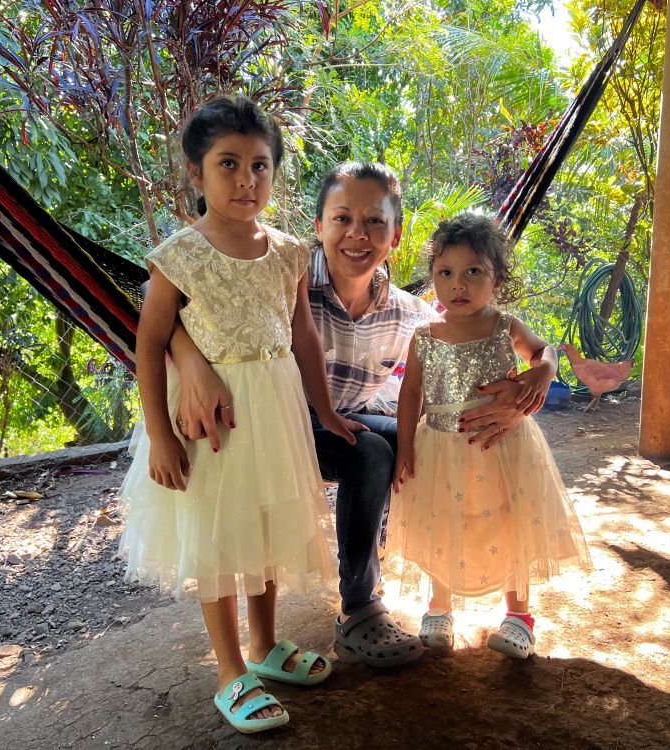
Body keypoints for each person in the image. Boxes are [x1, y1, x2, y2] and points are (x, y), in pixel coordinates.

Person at [170, 162, 537, 667]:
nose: (357, 235)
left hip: (342, 424)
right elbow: (159, 300)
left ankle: (450, 587)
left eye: (374, 222)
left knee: (422, 442)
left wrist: (528, 387)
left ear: (396, 236)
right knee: (370, 452)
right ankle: (360, 608)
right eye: (342, 219)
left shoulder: (412, 313)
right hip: (271, 428)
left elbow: (473, 341)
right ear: (318, 227)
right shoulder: (284, 276)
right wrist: (188, 359)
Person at [117, 96, 363, 735]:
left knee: (263, 525)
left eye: (260, 165)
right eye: (228, 164)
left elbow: (303, 333)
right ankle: (231, 671)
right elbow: (149, 342)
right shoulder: (180, 254)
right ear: (196, 174)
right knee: (218, 535)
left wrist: (325, 409)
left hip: (275, 409)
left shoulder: (288, 252)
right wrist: (161, 435)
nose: (246, 180)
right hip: (210, 424)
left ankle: (266, 645)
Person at [388, 213, 591, 660]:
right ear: (433, 278)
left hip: (502, 448)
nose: (457, 285)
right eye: (446, 273)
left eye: (472, 272)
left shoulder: (505, 325)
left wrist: (543, 371)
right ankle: (438, 609)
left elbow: (545, 351)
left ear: (496, 278)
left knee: (509, 519)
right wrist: (404, 447)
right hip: (439, 447)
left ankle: (519, 616)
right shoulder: (424, 336)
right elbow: (410, 395)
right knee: (443, 523)